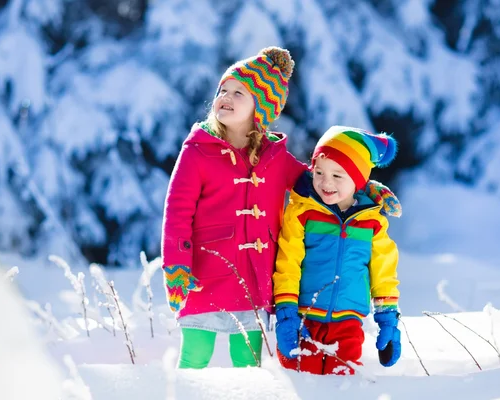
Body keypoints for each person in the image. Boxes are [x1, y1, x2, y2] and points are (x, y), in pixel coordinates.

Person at [161, 46, 307, 369]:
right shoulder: (198, 150)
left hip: (254, 279)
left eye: (239, 92)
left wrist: (356, 186)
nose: (226, 96)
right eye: (223, 89)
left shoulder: (275, 157)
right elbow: (177, 211)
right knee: (195, 355)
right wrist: (176, 263)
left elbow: (313, 186)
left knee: (248, 361)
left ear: (261, 108)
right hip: (204, 274)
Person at [272, 126, 402, 375]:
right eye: (318, 172)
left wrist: (388, 318)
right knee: (301, 375)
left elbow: (384, 271)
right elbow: (287, 261)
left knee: (343, 379)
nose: (325, 182)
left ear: (358, 180)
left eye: (338, 175)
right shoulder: (303, 213)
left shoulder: (372, 222)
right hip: (304, 316)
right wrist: (287, 311)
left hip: (348, 321)